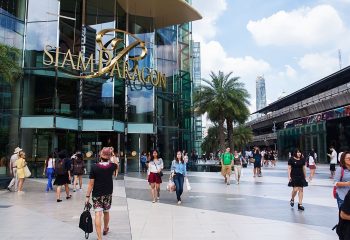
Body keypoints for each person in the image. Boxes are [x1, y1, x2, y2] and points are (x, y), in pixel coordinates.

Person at [85, 147, 118, 239]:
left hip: (97, 194)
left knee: (97, 214)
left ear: (100, 155)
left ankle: (99, 238)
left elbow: (91, 184)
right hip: (108, 193)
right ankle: (105, 228)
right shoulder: (111, 166)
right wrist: (113, 154)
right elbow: (116, 164)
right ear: (109, 157)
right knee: (106, 212)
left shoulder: (94, 167)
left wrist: (87, 196)